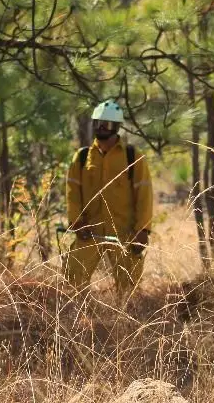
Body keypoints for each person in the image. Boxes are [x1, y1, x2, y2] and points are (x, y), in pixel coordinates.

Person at [63, 99, 154, 298]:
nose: (102, 128)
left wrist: (143, 230)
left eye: (108, 124)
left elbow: (144, 195)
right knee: (73, 283)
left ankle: (125, 325)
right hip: (89, 232)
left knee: (128, 289)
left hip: (125, 234)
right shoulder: (81, 157)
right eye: (98, 123)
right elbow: (72, 193)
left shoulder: (133, 157)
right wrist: (77, 222)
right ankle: (78, 324)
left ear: (117, 127)